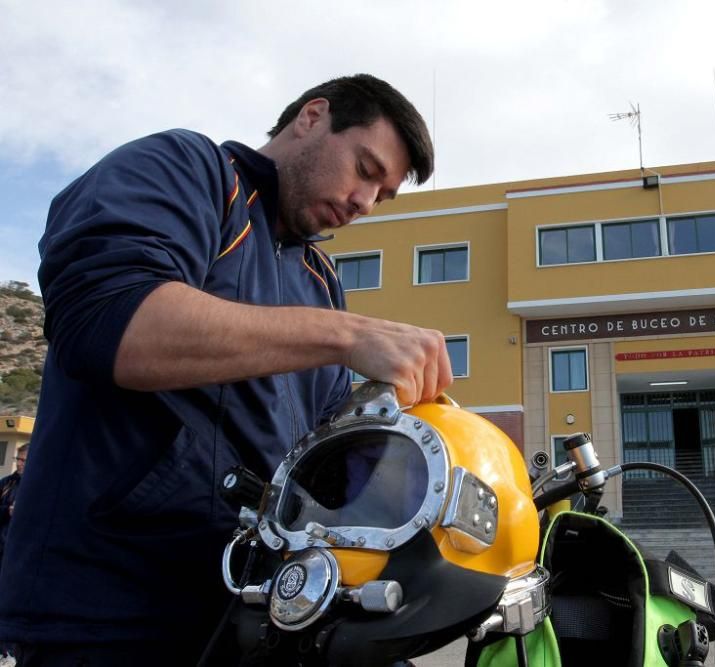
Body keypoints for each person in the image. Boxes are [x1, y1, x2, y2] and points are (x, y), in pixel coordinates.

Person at [0, 74, 452, 665]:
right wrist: (350, 334)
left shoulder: (320, 280)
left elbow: (327, 450)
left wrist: (433, 441)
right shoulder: (188, 170)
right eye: (366, 169)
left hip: (251, 614)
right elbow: (110, 320)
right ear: (312, 117)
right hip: (109, 612)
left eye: (383, 196)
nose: (364, 202)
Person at [0, 444, 27, 573]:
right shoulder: (6, 483)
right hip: (2, 543)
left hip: (21, 549)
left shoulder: (39, 486)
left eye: (23, 460)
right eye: (18, 459)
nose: (19, 463)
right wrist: (7, 510)